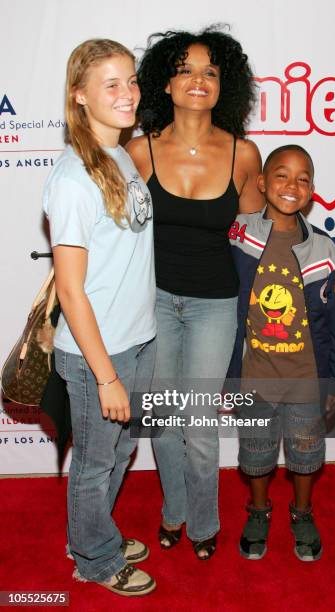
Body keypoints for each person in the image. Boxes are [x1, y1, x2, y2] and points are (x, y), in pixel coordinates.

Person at [127, 27, 263, 559]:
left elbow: (255, 238)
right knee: (163, 423)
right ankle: (174, 511)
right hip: (152, 301)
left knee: (200, 428)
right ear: (165, 82)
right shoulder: (139, 152)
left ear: (223, 85)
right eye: (185, 69)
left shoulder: (243, 155)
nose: (198, 81)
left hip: (215, 305)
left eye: (210, 71)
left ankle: (204, 523)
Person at [43, 39, 156, 596]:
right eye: (110, 84)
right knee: (93, 463)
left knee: (121, 450)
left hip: (134, 340)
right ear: (79, 97)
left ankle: (94, 532)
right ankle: (92, 557)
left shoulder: (117, 155)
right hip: (97, 356)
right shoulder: (72, 179)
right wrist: (106, 374)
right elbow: (70, 288)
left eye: (130, 80)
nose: (127, 93)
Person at [227, 144, 335, 561]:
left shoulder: (324, 247)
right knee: (257, 454)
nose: (291, 185)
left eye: (303, 179)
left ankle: (302, 512)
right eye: (281, 175)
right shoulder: (238, 233)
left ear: (312, 192)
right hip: (256, 378)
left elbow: (334, 319)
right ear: (262, 183)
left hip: (305, 380)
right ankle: (259, 510)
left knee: (305, 456)